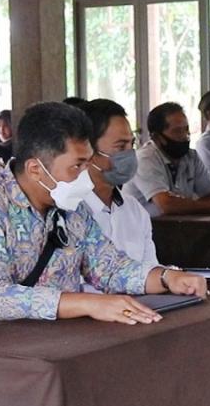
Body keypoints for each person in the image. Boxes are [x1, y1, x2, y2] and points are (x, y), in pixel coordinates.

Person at [0, 102, 208, 331]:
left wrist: (166, 278)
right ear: (36, 169)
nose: (86, 175)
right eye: (77, 166)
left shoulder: (71, 207)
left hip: (57, 338)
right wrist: (87, 303)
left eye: (88, 162)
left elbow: (109, 267)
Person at [79, 99, 159, 289]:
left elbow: (150, 271)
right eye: (120, 146)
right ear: (88, 151)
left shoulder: (134, 211)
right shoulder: (67, 211)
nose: (130, 154)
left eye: (132, 144)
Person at [123, 102, 210, 216]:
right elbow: (167, 205)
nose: (185, 136)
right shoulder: (145, 159)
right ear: (157, 137)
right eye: (177, 131)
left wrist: (186, 206)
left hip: (176, 228)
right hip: (141, 231)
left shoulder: (191, 157)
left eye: (186, 129)